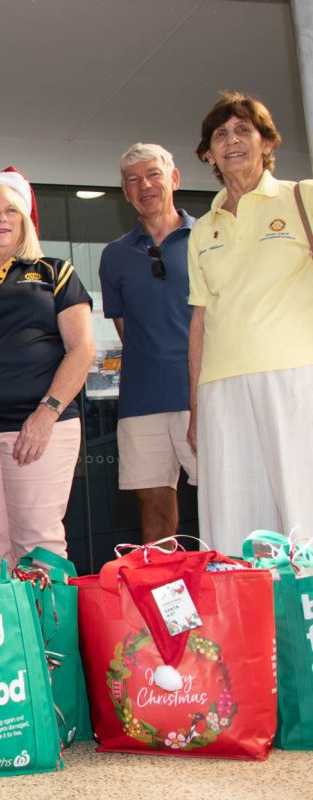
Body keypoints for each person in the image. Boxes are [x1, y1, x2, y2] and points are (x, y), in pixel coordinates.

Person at [0, 171, 95, 568]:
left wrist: (46, 414)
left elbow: (81, 349)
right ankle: (7, 631)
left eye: (11, 209)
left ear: (25, 218)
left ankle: (50, 631)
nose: (1, 218)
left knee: (37, 542)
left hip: (42, 425)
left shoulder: (55, 272)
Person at [188, 90, 313, 552]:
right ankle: (244, 617)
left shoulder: (302, 197)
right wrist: (196, 408)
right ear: (208, 154)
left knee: (301, 509)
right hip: (221, 388)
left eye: (244, 130)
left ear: (267, 143)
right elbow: (200, 320)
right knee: (233, 519)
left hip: (295, 377)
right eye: (221, 134)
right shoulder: (203, 228)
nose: (232, 140)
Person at [98, 143, 197, 543]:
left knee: (228, 494)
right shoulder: (114, 256)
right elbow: (126, 329)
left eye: (153, 174)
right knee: (153, 508)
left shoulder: (208, 238)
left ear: (173, 179)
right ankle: (164, 595)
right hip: (142, 401)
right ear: (125, 192)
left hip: (203, 393)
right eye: (133, 180)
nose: (145, 186)